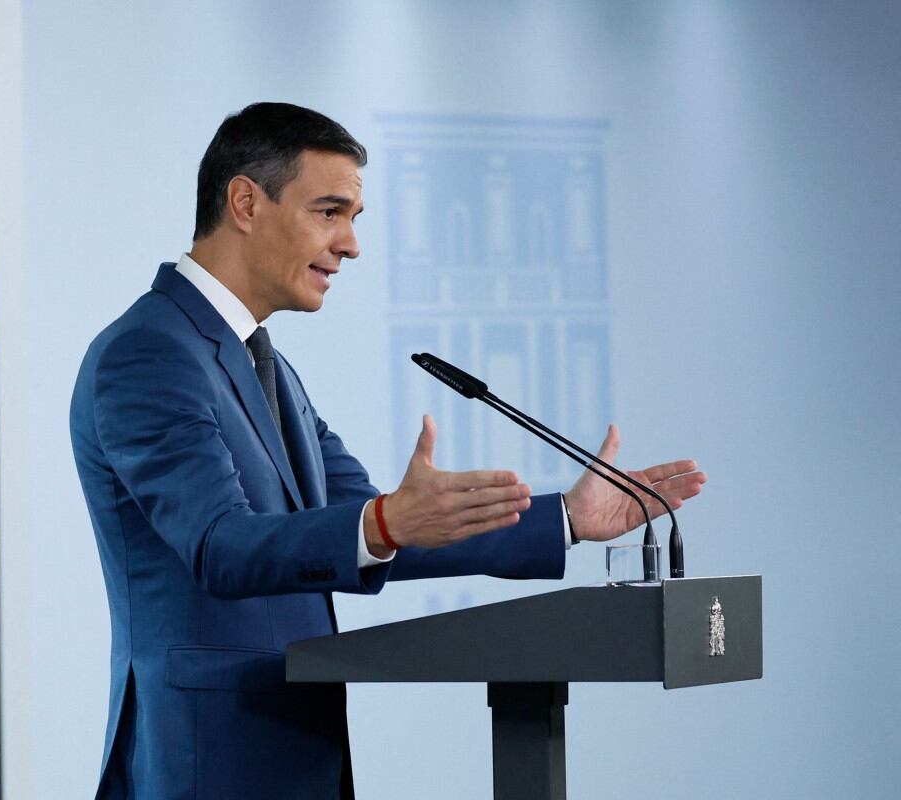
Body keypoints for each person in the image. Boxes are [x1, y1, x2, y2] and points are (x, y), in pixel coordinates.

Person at [69, 102, 705, 799]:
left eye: (354, 218)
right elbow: (223, 546)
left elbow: (369, 524)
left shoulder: (262, 364)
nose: (350, 245)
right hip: (204, 761)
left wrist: (566, 520)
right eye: (329, 211)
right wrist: (383, 524)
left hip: (291, 748)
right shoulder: (151, 354)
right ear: (246, 201)